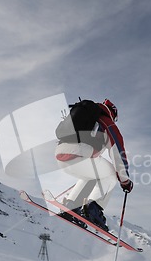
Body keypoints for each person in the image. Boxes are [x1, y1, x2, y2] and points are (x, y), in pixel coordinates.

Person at [55, 98, 133, 231]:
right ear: (113, 114)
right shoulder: (106, 122)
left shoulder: (85, 116)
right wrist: (125, 180)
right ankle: (93, 210)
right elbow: (118, 152)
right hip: (78, 153)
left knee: (92, 175)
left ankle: (70, 205)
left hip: (60, 155)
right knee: (111, 174)